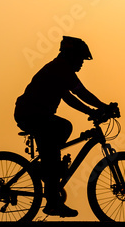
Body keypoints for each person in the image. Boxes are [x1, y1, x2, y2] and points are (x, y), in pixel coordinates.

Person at [14, 36, 113, 217]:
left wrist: (94, 110)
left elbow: (70, 98)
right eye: (81, 58)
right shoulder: (61, 68)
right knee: (62, 129)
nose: (82, 63)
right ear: (71, 55)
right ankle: (52, 200)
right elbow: (81, 93)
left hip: (33, 114)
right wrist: (101, 108)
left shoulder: (59, 69)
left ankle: (48, 170)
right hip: (32, 115)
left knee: (59, 135)